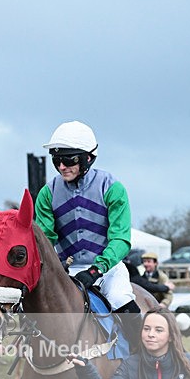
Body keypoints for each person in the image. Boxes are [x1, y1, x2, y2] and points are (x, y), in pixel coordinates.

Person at [35, 120, 141, 330]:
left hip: (108, 270)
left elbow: (120, 239)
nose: (62, 167)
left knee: (120, 299)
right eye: (56, 160)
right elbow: (44, 239)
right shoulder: (47, 193)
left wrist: (96, 270)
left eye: (69, 160)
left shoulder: (112, 187)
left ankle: (143, 356)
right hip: (66, 271)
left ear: (89, 158)